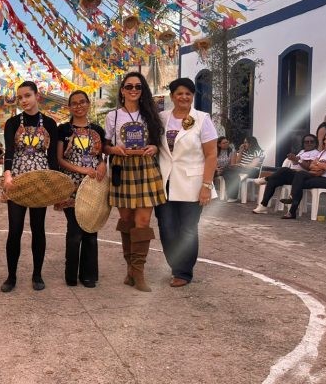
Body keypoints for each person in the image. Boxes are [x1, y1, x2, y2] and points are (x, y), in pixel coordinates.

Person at [104, 72, 166, 292]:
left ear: (142, 90)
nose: (133, 90)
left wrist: (154, 147)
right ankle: (130, 268)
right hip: (122, 168)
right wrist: (114, 149)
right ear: (122, 90)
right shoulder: (113, 116)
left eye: (138, 87)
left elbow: (158, 143)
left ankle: (138, 272)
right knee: (127, 220)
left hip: (146, 168)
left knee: (143, 221)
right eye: (129, 86)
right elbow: (105, 146)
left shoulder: (151, 114)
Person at [155, 78, 218, 287]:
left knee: (188, 229)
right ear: (172, 96)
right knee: (166, 227)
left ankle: (183, 272)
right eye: (179, 93)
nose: (184, 97)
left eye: (188, 94)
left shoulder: (202, 119)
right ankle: (175, 265)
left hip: (192, 183)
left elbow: (211, 154)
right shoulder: (162, 118)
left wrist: (206, 186)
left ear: (193, 96)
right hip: (165, 182)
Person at [0, 81, 58, 292]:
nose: (23, 100)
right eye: (20, 98)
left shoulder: (50, 123)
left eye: (27, 96)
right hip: (17, 179)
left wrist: (54, 182)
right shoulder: (12, 122)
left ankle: (37, 275)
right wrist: (7, 173)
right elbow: (9, 150)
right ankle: (11, 277)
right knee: (15, 229)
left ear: (37, 96)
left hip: (41, 180)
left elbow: (52, 156)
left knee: (38, 228)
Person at [55, 90, 107, 288]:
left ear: (88, 104)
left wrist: (102, 165)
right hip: (71, 184)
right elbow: (60, 159)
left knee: (91, 228)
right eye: (74, 103)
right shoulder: (63, 129)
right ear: (69, 107)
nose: (79, 106)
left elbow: (101, 156)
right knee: (75, 230)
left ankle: (89, 275)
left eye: (82, 102)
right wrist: (82, 170)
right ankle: (71, 274)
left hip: (93, 185)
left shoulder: (97, 130)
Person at [252, 134, 319, 214]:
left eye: (311, 141)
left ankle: (265, 179)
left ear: (315, 143)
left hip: (302, 177)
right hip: (292, 174)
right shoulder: (302, 152)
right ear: (303, 143)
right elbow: (295, 163)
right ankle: (263, 206)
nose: (309, 143)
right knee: (273, 181)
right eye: (306, 142)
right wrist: (292, 158)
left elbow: (309, 167)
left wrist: (297, 160)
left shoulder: (316, 153)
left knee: (284, 169)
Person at [280, 135, 326, 219]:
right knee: (300, 175)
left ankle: (292, 206)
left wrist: (318, 164)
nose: (324, 141)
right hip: (318, 175)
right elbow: (311, 166)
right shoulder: (324, 152)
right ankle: (292, 208)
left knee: (299, 183)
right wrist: (319, 166)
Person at [222, 136, 264, 202]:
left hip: (253, 171)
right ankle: (232, 195)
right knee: (226, 170)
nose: (244, 144)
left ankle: (233, 196)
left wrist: (242, 165)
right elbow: (237, 162)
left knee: (230, 171)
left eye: (246, 142)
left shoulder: (258, 151)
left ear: (251, 143)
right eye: (244, 142)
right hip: (241, 169)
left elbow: (253, 165)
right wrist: (241, 152)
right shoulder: (244, 151)